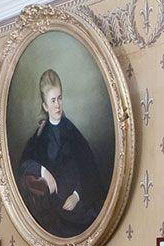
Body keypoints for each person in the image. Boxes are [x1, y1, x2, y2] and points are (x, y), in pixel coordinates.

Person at [18, 68, 103, 236]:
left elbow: (89, 168)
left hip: (78, 207)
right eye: (52, 100)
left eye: (59, 98)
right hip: (53, 211)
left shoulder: (71, 131)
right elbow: (24, 164)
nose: (57, 105)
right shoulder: (40, 135)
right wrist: (43, 171)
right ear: (45, 106)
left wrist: (77, 195)